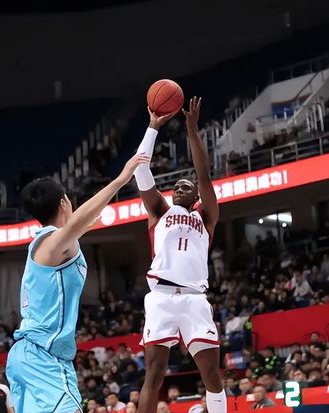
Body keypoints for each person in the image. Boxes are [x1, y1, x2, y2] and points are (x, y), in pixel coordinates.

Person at [6, 153, 150, 413]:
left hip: (34, 354)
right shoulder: (50, 242)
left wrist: (84, 227)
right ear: (64, 202)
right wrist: (120, 179)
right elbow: (75, 223)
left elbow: (74, 229)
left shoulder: (53, 244)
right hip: (42, 355)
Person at [134, 97, 225, 413]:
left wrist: (192, 131)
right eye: (175, 186)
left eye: (186, 187)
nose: (179, 189)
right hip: (160, 296)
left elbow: (204, 175)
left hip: (194, 298)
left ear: (197, 195)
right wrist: (152, 127)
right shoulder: (160, 211)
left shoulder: (206, 216)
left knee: (211, 373)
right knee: (154, 373)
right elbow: (141, 169)